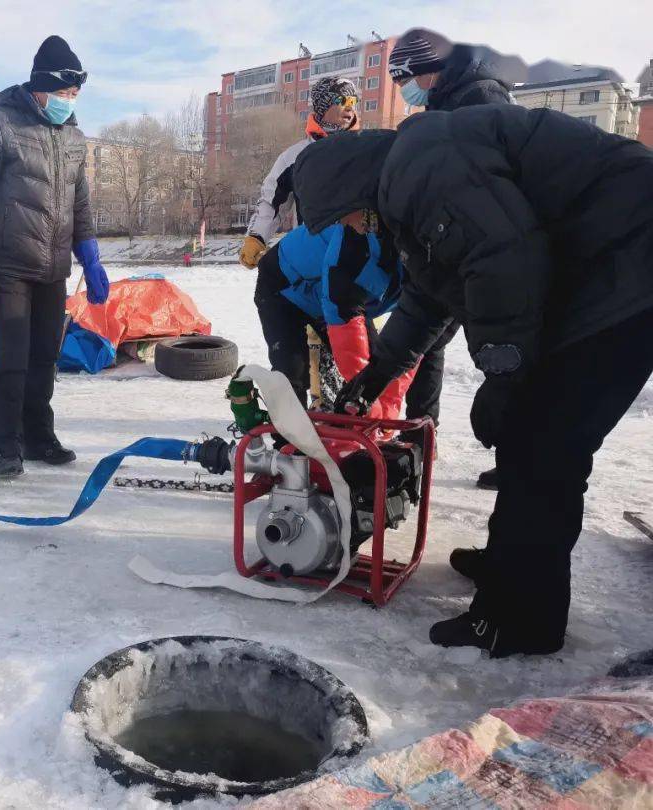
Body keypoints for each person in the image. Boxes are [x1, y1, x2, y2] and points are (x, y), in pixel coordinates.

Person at [292, 107, 653, 657]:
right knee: (529, 436)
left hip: (627, 269)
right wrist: (378, 371)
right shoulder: (410, 180)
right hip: (601, 268)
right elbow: (431, 294)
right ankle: (511, 564)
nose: (352, 228)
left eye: (345, 218)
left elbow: (506, 260)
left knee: (544, 441)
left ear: (352, 188)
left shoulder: (423, 167)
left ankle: (522, 617)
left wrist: (505, 374)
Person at [0, 35, 109, 480]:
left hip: (54, 266)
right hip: (9, 265)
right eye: (64, 92)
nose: (69, 101)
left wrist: (91, 258)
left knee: (44, 357)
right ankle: (6, 445)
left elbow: (80, 205)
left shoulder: (74, 138)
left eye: (75, 95)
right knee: (11, 359)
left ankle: (39, 436)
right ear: (41, 87)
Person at [388, 28, 522, 484]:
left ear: (427, 71)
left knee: (503, 354)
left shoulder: (480, 99)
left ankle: (517, 461)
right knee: (432, 345)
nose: (403, 92)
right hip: (466, 251)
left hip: (498, 256)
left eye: (402, 80)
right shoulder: (448, 102)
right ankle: (421, 439)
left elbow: (496, 186)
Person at [244, 78, 359, 410]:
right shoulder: (295, 155)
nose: (349, 110)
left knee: (352, 348)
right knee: (310, 345)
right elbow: (271, 202)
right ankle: (308, 414)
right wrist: (256, 236)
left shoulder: (366, 148)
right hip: (308, 261)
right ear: (322, 108)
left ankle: (349, 412)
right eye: (342, 103)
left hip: (355, 264)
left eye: (353, 103)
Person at [256, 220, 417, 420]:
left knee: (378, 363)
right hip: (282, 288)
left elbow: (414, 344)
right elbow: (344, 315)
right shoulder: (360, 240)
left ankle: (360, 429)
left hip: (331, 296)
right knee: (291, 371)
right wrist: (369, 407)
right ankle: (288, 442)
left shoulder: (423, 275)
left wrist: (388, 411)